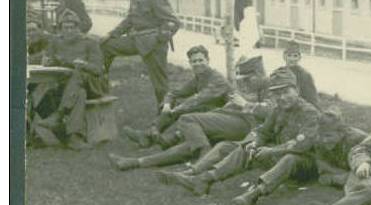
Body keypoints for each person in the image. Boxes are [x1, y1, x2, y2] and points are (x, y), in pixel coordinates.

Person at [160, 69, 321, 203]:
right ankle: (205, 180)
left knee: (290, 159)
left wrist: (270, 151)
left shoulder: (310, 112)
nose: (282, 98)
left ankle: (255, 194)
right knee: (246, 147)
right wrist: (256, 143)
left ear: (297, 90)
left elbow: (302, 145)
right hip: (279, 154)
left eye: (286, 92)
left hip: (304, 164)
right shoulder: (277, 109)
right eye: (277, 94)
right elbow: (264, 132)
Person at [108, 54, 269, 171]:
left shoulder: (272, 87)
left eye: (248, 79)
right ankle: (135, 162)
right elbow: (228, 106)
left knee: (187, 119)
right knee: (187, 147)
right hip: (231, 122)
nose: (244, 83)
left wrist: (246, 104)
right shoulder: (252, 87)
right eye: (242, 79)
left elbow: (270, 113)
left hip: (247, 127)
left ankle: (201, 156)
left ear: (259, 74)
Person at [231, 107, 367, 205]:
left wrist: (336, 178)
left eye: (329, 136)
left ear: (342, 132)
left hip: (353, 172)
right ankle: (256, 192)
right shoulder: (317, 137)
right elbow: (320, 164)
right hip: (321, 170)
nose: (324, 141)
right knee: (290, 159)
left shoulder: (359, 139)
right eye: (321, 136)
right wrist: (335, 175)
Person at [100, 0, 181, 106]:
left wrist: (159, 38)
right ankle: (99, 85)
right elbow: (130, 20)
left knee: (160, 83)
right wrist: (111, 34)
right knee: (106, 46)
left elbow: (174, 22)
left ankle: (167, 113)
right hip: (137, 40)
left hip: (154, 44)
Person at [31, 9, 108, 150]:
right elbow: (49, 60)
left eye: (73, 27)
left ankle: (58, 116)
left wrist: (84, 65)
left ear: (78, 28)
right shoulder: (56, 42)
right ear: (60, 29)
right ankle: (73, 137)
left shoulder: (90, 42)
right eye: (66, 28)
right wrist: (47, 61)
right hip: (68, 87)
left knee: (78, 75)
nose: (70, 31)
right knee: (79, 94)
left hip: (92, 84)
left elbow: (98, 69)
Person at [278, 40, 319, 107]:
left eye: (295, 56)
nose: (292, 59)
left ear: (299, 57)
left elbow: (312, 101)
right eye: (289, 55)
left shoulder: (305, 76)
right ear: (284, 56)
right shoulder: (279, 73)